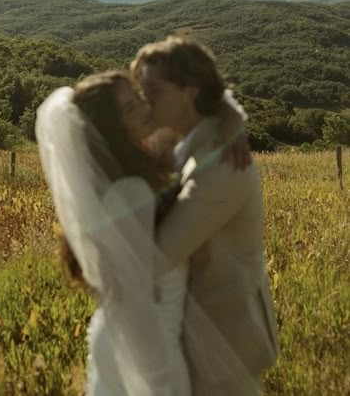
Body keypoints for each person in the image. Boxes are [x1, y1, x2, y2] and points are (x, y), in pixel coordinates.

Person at [36, 69, 259, 395]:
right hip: (146, 348)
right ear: (114, 129)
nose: (144, 107)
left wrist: (234, 122)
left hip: (135, 339)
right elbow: (135, 304)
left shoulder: (143, 165)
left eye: (139, 96)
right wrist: (159, 381)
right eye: (130, 108)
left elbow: (203, 98)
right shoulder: (132, 192)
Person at [131, 36, 279, 395]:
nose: (144, 102)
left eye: (153, 91)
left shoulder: (223, 162)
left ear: (190, 92)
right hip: (195, 337)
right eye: (141, 91)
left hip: (224, 344)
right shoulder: (187, 142)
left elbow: (158, 256)